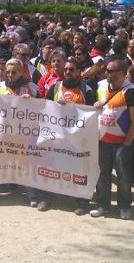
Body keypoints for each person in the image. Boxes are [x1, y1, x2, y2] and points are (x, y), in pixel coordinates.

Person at [90, 56, 134, 220]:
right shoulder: (103, 86)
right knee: (102, 175)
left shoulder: (132, 92)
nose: (108, 74)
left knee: (123, 177)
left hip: (121, 143)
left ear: (123, 73)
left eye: (112, 71)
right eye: (107, 71)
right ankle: (103, 205)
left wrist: (127, 144)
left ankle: (124, 206)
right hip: (102, 141)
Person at [44, 58, 97, 214]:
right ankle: (47, 197)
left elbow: (91, 115)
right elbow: (45, 109)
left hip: (78, 139)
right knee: (51, 168)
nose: (67, 72)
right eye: (66, 69)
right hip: (57, 137)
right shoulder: (54, 88)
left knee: (79, 170)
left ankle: (81, 201)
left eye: (71, 70)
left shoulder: (86, 90)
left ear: (79, 73)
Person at [0, 58, 38, 205]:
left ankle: (32, 194)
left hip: (23, 131)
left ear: (21, 72)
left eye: (13, 72)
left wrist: (32, 100)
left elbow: (41, 108)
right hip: (3, 130)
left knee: (25, 161)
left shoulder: (30, 87)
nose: (9, 75)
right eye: (7, 72)